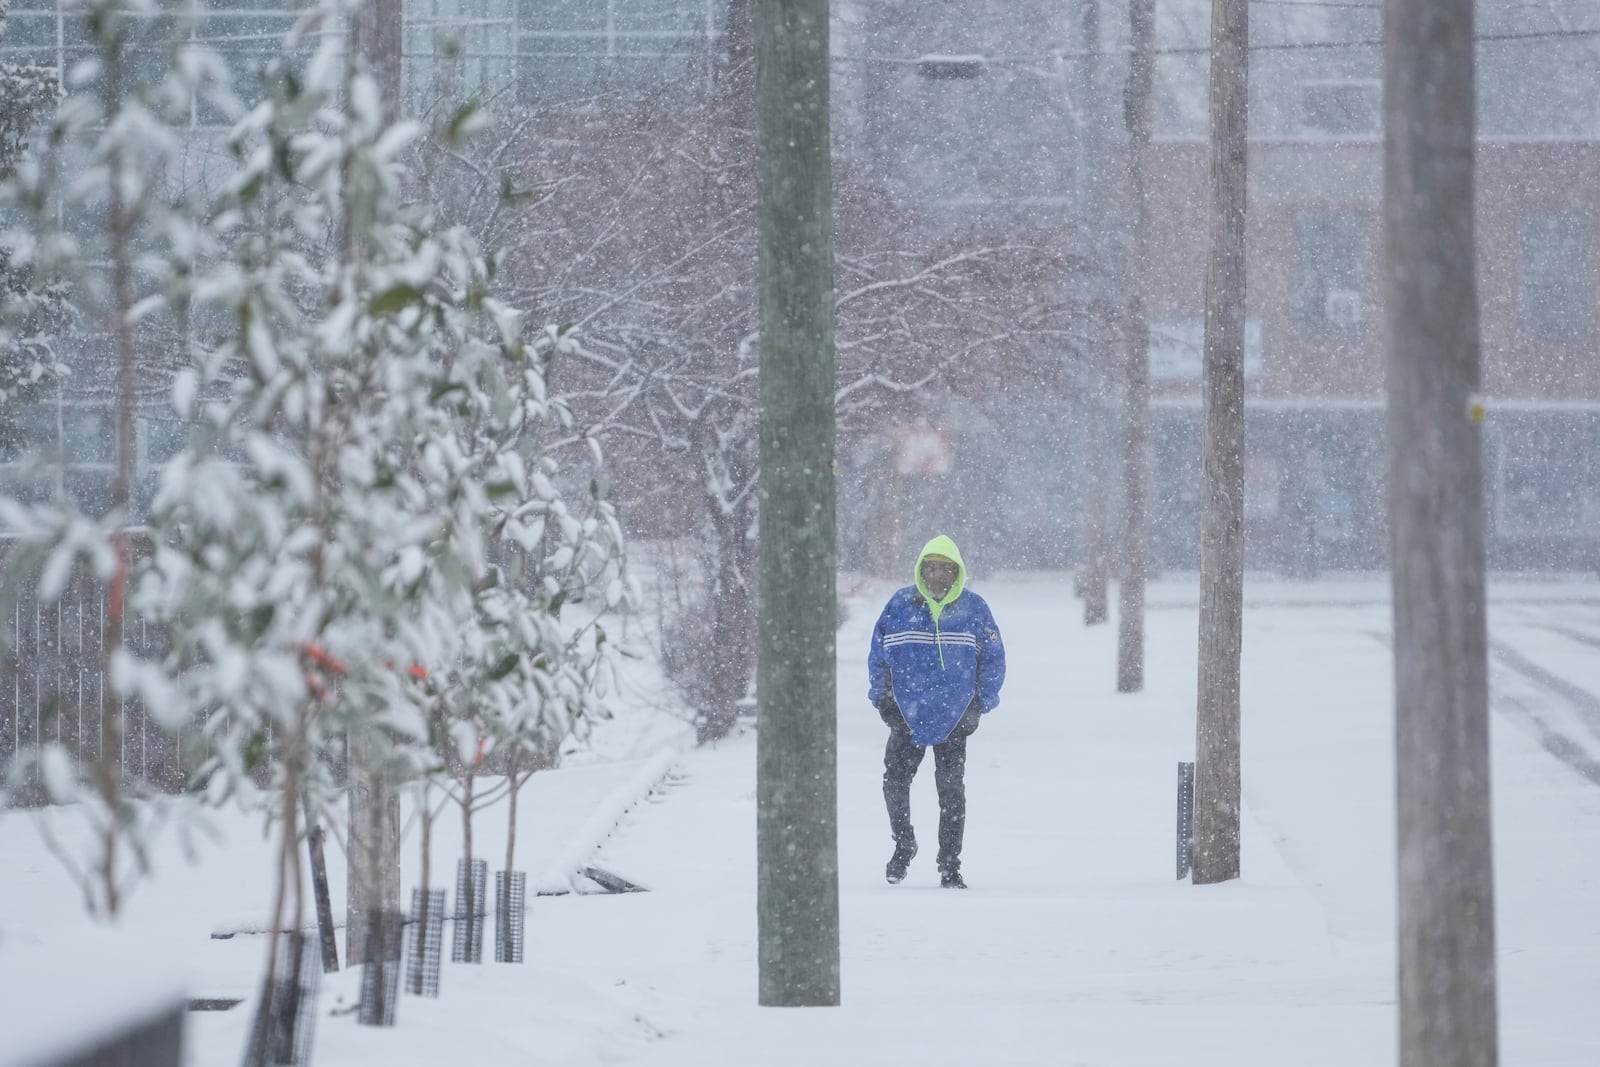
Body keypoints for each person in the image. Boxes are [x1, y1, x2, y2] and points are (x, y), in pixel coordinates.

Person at [868, 534, 1006, 888]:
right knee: (895, 783)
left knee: (951, 793)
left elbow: (993, 659)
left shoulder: (974, 609)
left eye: (946, 568)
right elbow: (878, 654)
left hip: (954, 717)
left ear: (957, 571)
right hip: (906, 716)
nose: (938, 574)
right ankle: (904, 845)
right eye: (932, 567)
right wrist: (883, 699)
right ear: (921, 569)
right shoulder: (899, 605)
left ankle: (949, 866)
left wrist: (979, 704)